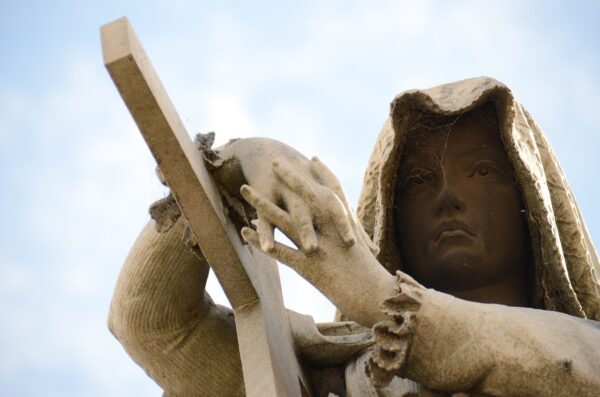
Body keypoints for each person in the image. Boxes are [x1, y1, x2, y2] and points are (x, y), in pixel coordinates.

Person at [108, 77, 600, 396]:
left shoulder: (586, 348)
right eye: (417, 181)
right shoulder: (337, 376)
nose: (448, 196)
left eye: (482, 170)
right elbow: (156, 328)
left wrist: (376, 296)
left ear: (529, 201)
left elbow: (560, 364)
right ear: (389, 211)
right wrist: (234, 166)